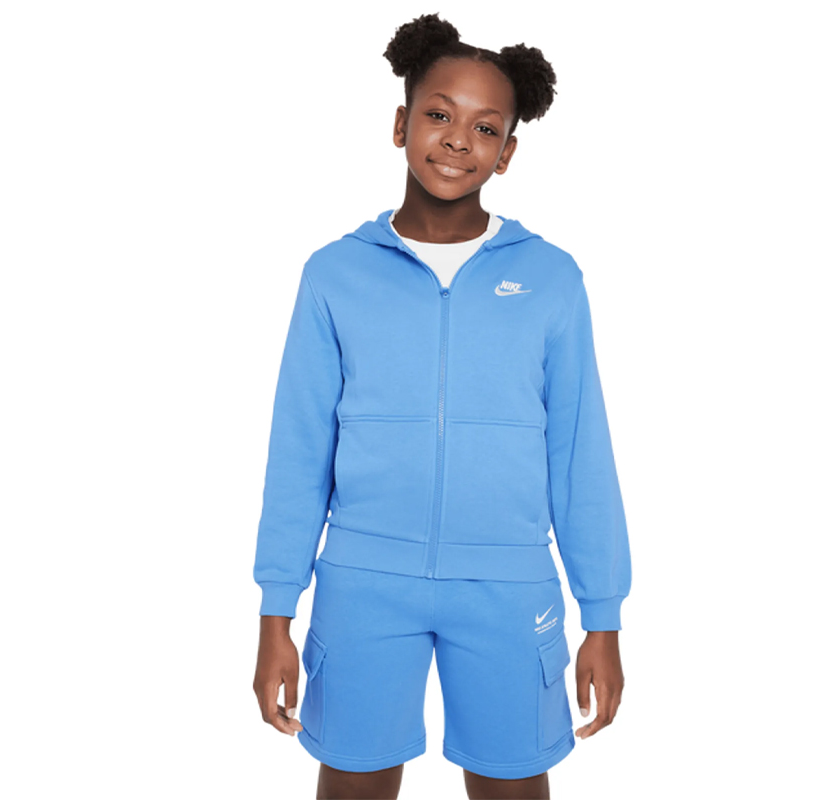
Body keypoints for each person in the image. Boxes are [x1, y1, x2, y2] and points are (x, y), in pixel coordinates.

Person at [253, 13, 631, 799]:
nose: (459, 139)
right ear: (401, 124)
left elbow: (579, 455)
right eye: (438, 114)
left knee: (512, 786)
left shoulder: (552, 279)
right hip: (362, 581)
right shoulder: (333, 274)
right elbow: (299, 453)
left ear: (507, 152)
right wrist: (275, 613)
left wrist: (603, 615)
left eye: (486, 127)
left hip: (509, 586)